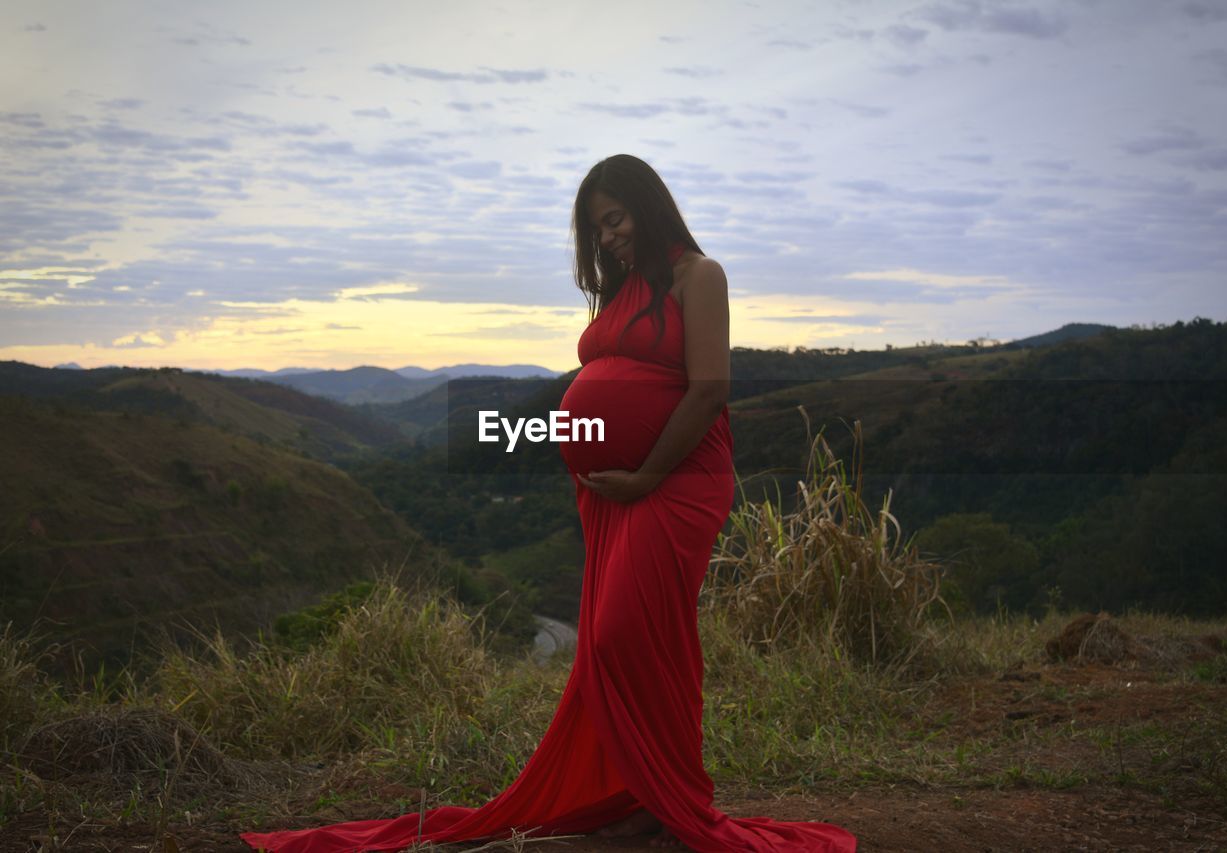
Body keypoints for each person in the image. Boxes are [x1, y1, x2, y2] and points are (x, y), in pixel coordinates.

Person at [239, 154, 858, 852]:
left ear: (649, 207)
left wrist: (647, 473)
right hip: (614, 492)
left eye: (615, 220)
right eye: (596, 229)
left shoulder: (699, 276)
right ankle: (645, 796)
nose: (607, 238)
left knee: (624, 630)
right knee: (628, 639)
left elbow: (709, 388)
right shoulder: (623, 289)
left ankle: (669, 795)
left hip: (677, 480)